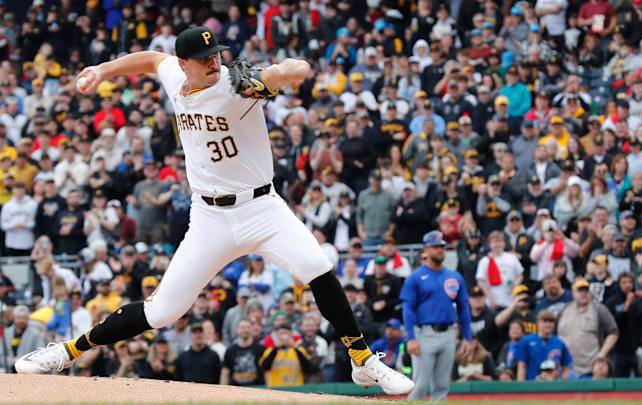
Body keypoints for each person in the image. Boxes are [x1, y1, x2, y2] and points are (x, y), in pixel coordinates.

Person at [18, 27, 413, 394]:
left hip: (262, 208)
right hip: (209, 218)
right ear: (185, 63)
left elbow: (297, 69)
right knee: (163, 311)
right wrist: (104, 69)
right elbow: (152, 58)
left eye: (217, 55)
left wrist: (280, 72)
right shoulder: (176, 77)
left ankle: (362, 360)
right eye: (205, 58)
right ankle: (66, 352)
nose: (215, 63)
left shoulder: (234, 86)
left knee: (317, 265)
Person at [401, 231, 472, 401]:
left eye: (442, 246)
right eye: (435, 247)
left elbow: (463, 307)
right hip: (424, 333)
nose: (439, 250)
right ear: (426, 249)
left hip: (448, 333)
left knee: (442, 386)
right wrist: (411, 337)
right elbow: (408, 308)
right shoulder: (415, 277)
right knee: (420, 384)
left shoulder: (454, 276)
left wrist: (467, 338)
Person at [557, 279, 619, 378]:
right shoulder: (564, 309)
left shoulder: (598, 308)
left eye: (586, 290)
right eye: (580, 291)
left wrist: (602, 353)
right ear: (573, 293)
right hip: (566, 370)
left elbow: (613, 332)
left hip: (590, 369)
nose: (584, 293)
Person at [516, 310, 572, 381]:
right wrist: (521, 388)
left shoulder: (559, 343)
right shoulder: (526, 341)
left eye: (551, 321)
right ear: (538, 322)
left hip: (554, 386)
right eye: (545, 321)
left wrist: (563, 386)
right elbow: (521, 366)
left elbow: (566, 369)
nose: (548, 324)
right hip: (532, 385)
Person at [475, 231, 524, 310]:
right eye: (495, 242)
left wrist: (515, 283)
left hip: (511, 301)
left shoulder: (511, 257)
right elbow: (480, 281)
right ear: (490, 244)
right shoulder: (484, 261)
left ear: (504, 243)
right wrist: (491, 299)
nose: (498, 245)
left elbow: (520, 274)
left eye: (500, 241)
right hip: (492, 302)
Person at [259, 322, 313, 387]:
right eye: (281, 334)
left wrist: (294, 347)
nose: (284, 337)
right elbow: (264, 367)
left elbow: (307, 367)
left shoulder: (299, 350)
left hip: (296, 388)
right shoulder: (270, 350)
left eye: (286, 334)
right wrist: (276, 348)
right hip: (275, 388)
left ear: (291, 335)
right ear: (277, 335)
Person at [220, 317, 265, 386]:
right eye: (243, 327)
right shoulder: (230, 351)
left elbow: (266, 371)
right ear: (237, 330)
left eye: (248, 327)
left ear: (252, 330)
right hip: (235, 391)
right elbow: (225, 373)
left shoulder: (261, 349)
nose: (245, 330)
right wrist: (222, 390)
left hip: (256, 390)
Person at [1, 306, 44, 373]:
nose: (21, 320)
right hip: (9, 370)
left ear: (27, 318)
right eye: (18, 318)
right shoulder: (6, 333)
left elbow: (41, 354)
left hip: (29, 371)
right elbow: (1, 355)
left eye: (24, 318)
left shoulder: (36, 334)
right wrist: (11, 361)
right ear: (14, 318)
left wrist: (23, 361)